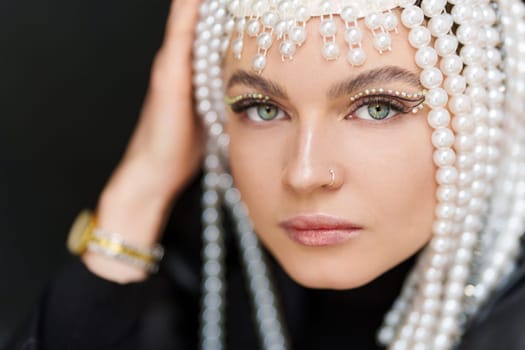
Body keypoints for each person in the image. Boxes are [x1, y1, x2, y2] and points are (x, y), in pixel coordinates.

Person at [7, 0, 525, 349]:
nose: (303, 173)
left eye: (380, 108)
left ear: (495, 109)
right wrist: (142, 187)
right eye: (262, 108)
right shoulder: (206, 289)